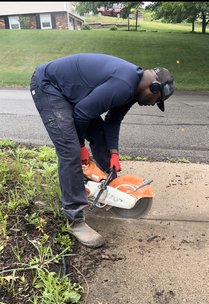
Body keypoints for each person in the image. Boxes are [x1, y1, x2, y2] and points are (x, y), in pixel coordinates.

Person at [30, 53, 175, 248]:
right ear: (154, 87)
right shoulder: (124, 84)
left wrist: (113, 153)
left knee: (99, 136)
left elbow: (113, 121)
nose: (152, 104)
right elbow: (82, 113)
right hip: (49, 86)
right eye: (157, 100)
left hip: (70, 92)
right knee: (70, 151)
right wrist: (81, 147)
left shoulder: (133, 90)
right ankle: (76, 220)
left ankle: (105, 184)